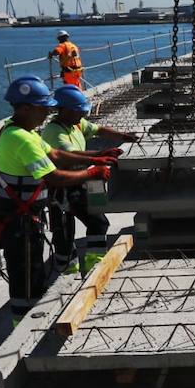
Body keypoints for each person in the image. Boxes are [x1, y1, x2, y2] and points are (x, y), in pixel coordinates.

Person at [0, 76, 112, 320]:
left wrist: (95, 158)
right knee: (27, 279)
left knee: (32, 271)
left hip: (23, 218)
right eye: (43, 107)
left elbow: (55, 154)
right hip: (18, 222)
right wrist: (92, 173)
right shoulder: (21, 139)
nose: (48, 112)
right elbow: (54, 176)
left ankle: (28, 319)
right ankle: (22, 331)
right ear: (25, 108)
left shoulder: (21, 130)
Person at [42, 86, 138, 273]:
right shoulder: (55, 131)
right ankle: (68, 270)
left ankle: (92, 263)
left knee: (94, 222)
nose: (83, 115)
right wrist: (99, 156)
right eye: (80, 111)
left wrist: (123, 136)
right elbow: (69, 155)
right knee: (66, 229)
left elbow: (99, 130)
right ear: (66, 110)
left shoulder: (76, 124)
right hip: (62, 186)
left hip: (77, 181)